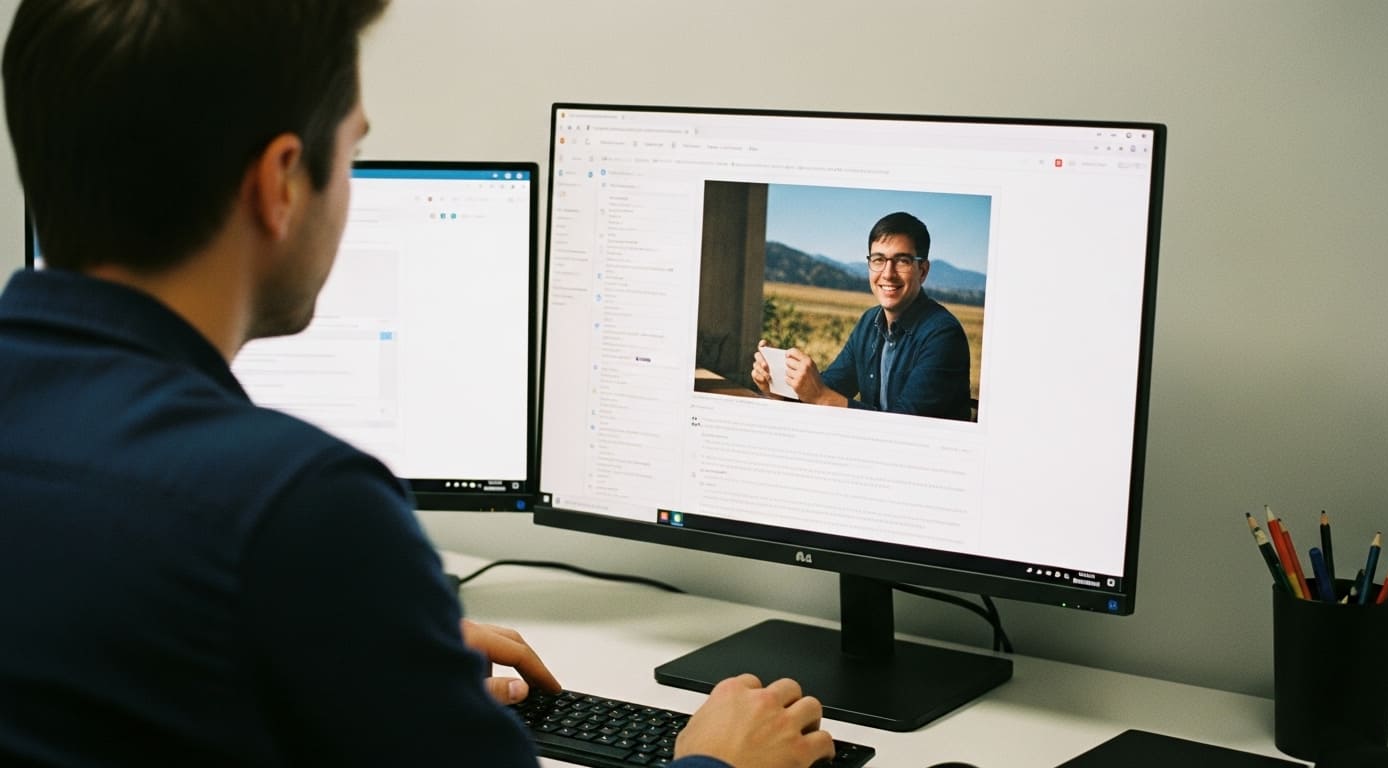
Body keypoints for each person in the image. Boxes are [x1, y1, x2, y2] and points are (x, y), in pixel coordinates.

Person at [0, 1, 834, 766]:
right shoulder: (297, 509)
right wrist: (717, 763)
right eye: (352, 151)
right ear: (280, 183)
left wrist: (361, 639)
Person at [752, 212, 971, 421]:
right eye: (878, 260)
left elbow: (905, 427)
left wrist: (820, 396)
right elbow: (831, 385)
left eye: (902, 260)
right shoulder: (869, 322)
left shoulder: (943, 336)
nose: (887, 273)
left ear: (922, 271)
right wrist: (779, 385)